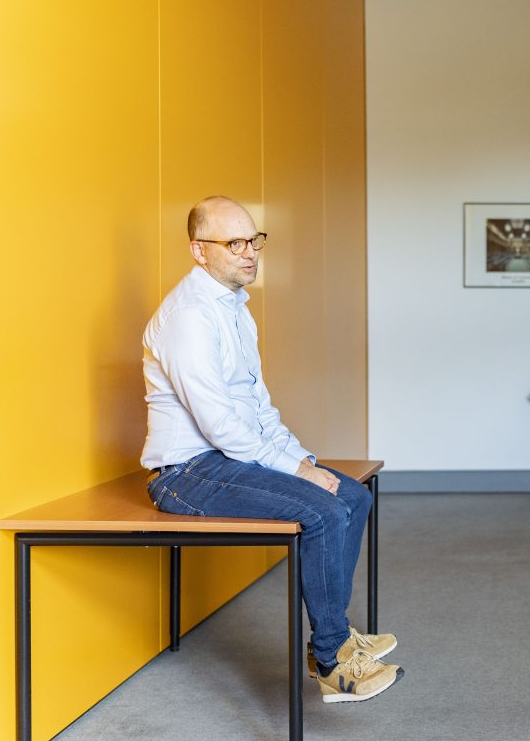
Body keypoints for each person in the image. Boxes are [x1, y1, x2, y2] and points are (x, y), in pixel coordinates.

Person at [140, 196, 402, 703]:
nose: (249, 252)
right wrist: (297, 471)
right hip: (185, 472)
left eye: (253, 239)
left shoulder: (235, 309)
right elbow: (218, 424)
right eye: (233, 242)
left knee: (353, 496)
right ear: (198, 250)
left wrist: (303, 460)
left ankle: (336, 636)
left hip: (225, 459)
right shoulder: (188, 316)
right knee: (323, 511)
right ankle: (332, 662)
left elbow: (258, 407)